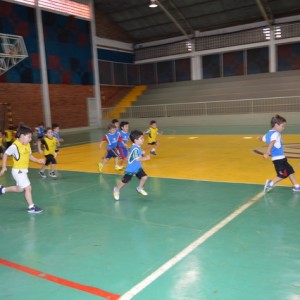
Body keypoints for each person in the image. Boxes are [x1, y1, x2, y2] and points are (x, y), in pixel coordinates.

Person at [0, 124, 45, 213]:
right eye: (29, 137)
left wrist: (37, 160)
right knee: (28, 188)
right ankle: (31, 207)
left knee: (20, 189)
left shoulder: (27, 144)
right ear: (22, 136)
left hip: (24, 171)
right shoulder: (15, 146)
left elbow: (29, 155)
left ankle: (2, 190)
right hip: (18, 171)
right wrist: (4, 167)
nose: (30, 139)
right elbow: (5, 154)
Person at [259, 114, 300, 193]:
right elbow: (272, 142)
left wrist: (259, 138)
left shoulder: (268, 134)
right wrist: (267, 152)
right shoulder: (276, 134)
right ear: (276, 125)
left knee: (290, 170)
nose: (283, 128)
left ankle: (296, 186)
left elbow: (263, 138)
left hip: (282, 158)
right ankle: (270, 184)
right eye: (282, 126)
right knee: (283, 174)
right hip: (278, 159)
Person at [113, 130, 150, 201]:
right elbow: (137, 159)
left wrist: (140, 152)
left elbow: (130, 152)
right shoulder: (135, 148)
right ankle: (116, 189)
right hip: (131, 169)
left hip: (137, 168)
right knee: (125, 181)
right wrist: (146, 158)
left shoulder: (136, 146)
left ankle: (139, 188)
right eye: (141, 138)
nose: (143, 139)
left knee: (144, 177)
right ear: (136, 140)